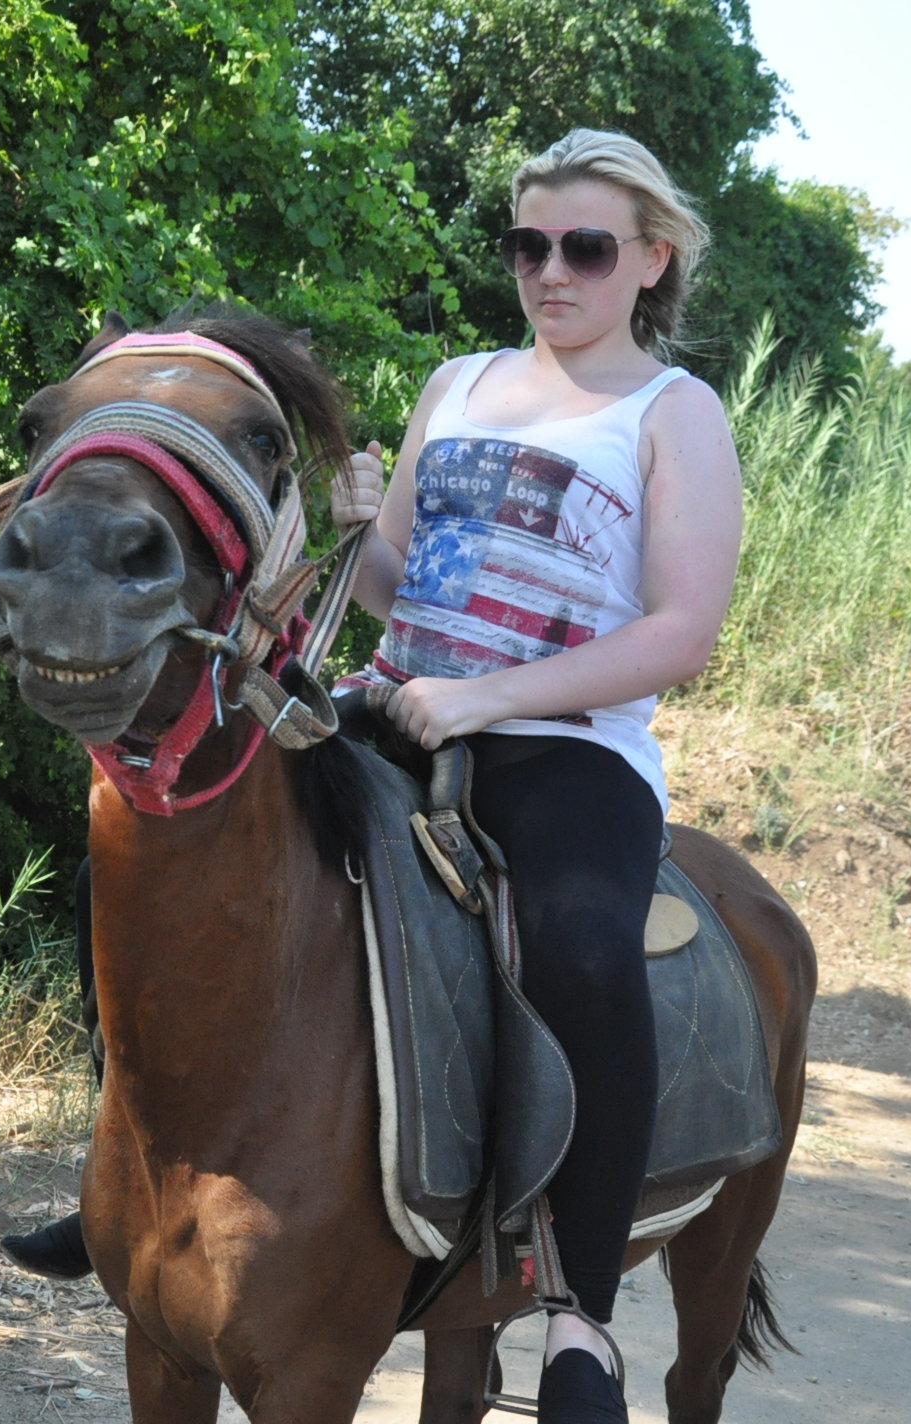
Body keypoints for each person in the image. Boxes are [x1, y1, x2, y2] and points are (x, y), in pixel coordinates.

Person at [324, 128, 742, 1423]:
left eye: (585, 247)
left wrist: (487, 698)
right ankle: (130, 1190)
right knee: (180, 838)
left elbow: (681, 629)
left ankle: (581, 1320)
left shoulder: (672, 412)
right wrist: (346, 531)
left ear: (650, 259)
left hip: (569, 750)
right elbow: (401, 579)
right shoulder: (455, 383)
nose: (550, 271)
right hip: (395, 706)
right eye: (529, 244)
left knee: (582, 946)